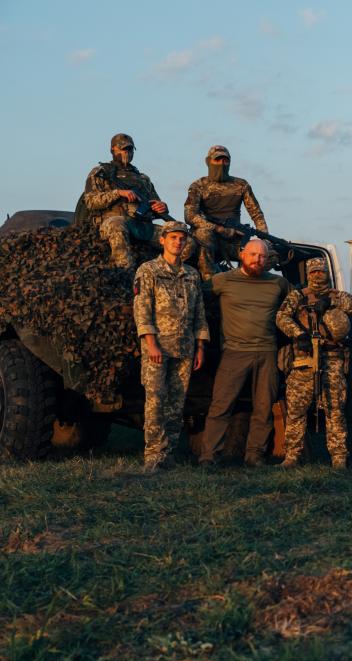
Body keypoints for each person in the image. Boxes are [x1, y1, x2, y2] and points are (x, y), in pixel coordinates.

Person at [199, 239, 291, 466]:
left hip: (267, 352)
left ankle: (254, 456)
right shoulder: (223, 281)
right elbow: (194, 298)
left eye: (262, 256)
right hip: (234, 352)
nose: (257, 260)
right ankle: (209, 457)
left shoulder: (278, 283)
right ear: (242, 255)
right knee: (221, 406)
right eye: (253, 255)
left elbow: (297, 303)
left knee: (263, 408)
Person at [133, 223, 208, 472]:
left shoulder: (191, 275)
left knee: (176, 404)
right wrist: (151, 343)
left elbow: (199, 313)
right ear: (163, 240)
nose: (178, 242)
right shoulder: (149, 270)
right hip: (158, 348)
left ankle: (169, 454)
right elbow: (142, 310)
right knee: (155, 401)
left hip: (184, 348)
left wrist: (200, 346)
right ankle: (153, 455)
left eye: (182, 239)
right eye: (173, 237)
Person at [275, 258, 352, 468]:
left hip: (332, 360)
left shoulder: (337, 295)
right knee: (296, 410)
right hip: (304, 360)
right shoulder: (297, 296)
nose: (318, 275)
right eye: (314, 272)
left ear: (327, 273)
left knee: (335, 409)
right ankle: (291, 456)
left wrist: (332, 303)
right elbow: (281, 317)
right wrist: (299, 334)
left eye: (321, 271)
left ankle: (339, 457)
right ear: (308, 274)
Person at [83, 133, 171, 270]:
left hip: (142, 225)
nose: (127, 152)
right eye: (123, 149)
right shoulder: (101, 172)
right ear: (113, 150)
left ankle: (169, 274)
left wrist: (162, 207)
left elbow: (155, 202)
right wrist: (117, 193)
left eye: (130, 149)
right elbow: (91, 201)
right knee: (117, 223)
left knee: (179, 235)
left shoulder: (143, 178)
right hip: (112, 222)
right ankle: (125, 271)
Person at [184, 145, 270, 280]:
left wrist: (264, 239)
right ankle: (209, 281)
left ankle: (249, 283)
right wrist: (218, 229)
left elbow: (257, 214)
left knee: (269, 253)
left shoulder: (241, 185)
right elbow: (190, 216)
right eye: (217, 160)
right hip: (208, 237)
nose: (221, 164)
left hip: (234, 239)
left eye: (225, 161)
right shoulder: (198, 186)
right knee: (203, 233)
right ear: (209, 162)